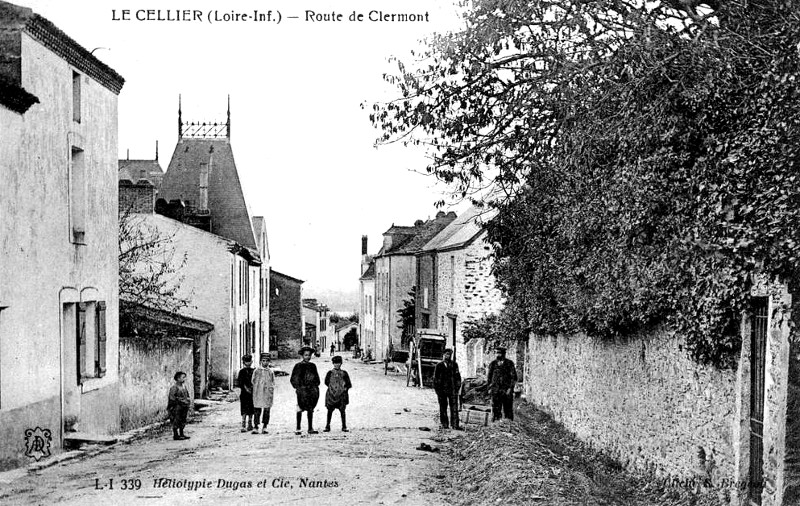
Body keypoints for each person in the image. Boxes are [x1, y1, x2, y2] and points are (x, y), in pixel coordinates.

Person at [290, 346, 321, 435]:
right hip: (302, 391)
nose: (308, 357)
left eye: (309, 355)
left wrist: (314, 386)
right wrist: (298, 388)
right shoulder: (298, 366)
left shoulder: (313, 366)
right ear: (302, 356)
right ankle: (298, 428)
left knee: (310, 408)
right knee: (300, 408)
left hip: (311, 390)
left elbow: (317, 379)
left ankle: (310, 428)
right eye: (306, 355)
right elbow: (293, 379)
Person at [487, 346, 518, 421]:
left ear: (504, 354)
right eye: (497, 353)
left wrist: (510, 388)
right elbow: (489, 377)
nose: (498, 355)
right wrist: (489, 388)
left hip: (506, 390)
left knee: (508, 409)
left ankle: (509, 425)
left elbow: (514, 377)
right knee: (496, 409)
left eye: (500, 353)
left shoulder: (509, 364)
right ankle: (496, 424)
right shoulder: (493, 364)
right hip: (496, 390)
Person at [433, 348, 461, 430]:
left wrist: (457, 388)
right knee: (443, 407)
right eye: (446, 354)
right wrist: (437, 390)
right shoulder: (439, 365)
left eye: (449, 354)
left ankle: (455, 424)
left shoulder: (454, 365)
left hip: (452, 390)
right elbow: (435, 379)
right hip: (442, 390)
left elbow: (457, 377)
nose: (447, 356)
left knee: (454, 408)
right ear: (443, 355)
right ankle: (444, 424)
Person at [324, 355, 352, 432]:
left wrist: (344, 389)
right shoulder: (329, 373)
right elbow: (326, 382)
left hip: (341, 395)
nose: (337, 364)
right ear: (333, 364)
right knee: (329, 411)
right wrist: (333, 389)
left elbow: (348, 384)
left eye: (338, 363)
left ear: (341, 363)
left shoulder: (344, 373)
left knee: (342, 411)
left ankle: (344, 426)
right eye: (335, 363)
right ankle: (327, 426)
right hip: (331, 395)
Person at [251, 353, 275, 434]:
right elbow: (253, 380)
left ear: (269, 362)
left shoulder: (270, 371)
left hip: (267, 392)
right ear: (261, 361)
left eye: (267, 361)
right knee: (257, 409)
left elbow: (272, 382)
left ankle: (265, 426)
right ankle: (256, 426)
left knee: (267, 409)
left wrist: (270, 389)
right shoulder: (257, 371)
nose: (265, 363)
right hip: (258, 392)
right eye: (263, 361)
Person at [168, 371, 192, 440]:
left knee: (183, 420)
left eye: (185, 377)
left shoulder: (184, 387)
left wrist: (187, 401)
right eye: (183, 377)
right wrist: (180, 401)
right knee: (176, 420)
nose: (184, 379)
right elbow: (172, 398)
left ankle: (182, 433)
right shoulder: (174, 388)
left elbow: (187, 395)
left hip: (184, 407)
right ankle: (176, 435)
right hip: (177, 407)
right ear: (178, 378)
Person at [237, 354, 255, 432]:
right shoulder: (242, 372)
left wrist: (252, 388)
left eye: (249, 361)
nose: (248, 363)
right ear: (243, 362)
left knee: (251, 408)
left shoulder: (253, 371)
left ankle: (250, 423)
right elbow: (240, 382)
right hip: (244, 393)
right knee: (244, 408)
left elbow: (255, 381)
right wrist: (246, 388)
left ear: (251, 362)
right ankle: (243, 424)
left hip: (252, 393)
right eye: (246, 362)